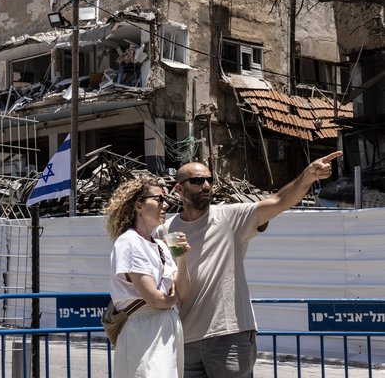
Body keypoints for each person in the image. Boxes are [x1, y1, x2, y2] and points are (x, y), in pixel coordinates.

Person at [168, 151, 343, 378]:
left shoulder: (229, 217)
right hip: (185, 338)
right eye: (197, 181)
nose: (206, 186)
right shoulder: (167, 229)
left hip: (228, 335)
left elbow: (279, 201)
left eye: (209, 180)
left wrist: (307, 176)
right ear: (179, 189)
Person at [104, 176, 192, 377]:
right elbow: (155, 298)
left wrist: (182, 259)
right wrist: (171, 298)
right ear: (139, 206)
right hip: (144, 329)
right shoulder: (130, 242)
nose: (166, 204)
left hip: (165, 328)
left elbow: (184, 294)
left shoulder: (161, 245)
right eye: (159, 199)